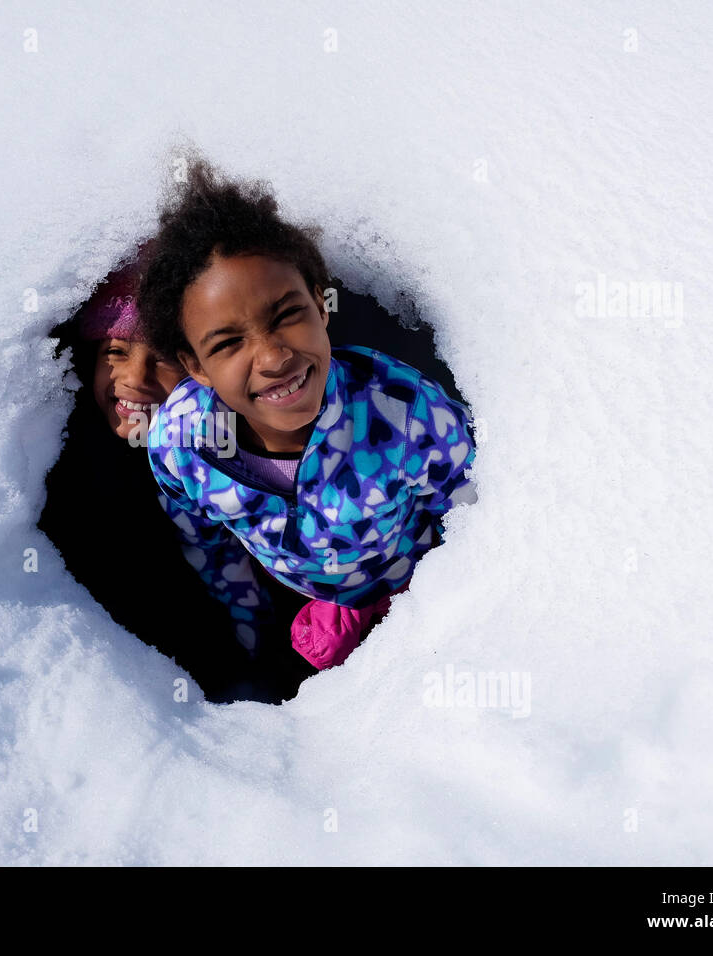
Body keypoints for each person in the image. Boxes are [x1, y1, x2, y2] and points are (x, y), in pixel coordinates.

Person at [137, 160, 478, 671]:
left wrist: (428, 616)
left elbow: (477, 515)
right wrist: (246, 618)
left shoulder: (404, 413)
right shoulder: (183, 442)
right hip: (296, 594)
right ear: (195, 367)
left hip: (410, 588)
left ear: (321, 307)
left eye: (287, 315)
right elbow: (201, 533)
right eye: (229, 343)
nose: (274, 358)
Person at [37, 260, 308, 702]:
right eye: (116, 351)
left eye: (160, 358)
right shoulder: (75, 457)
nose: (133, 378)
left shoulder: (233, 451)